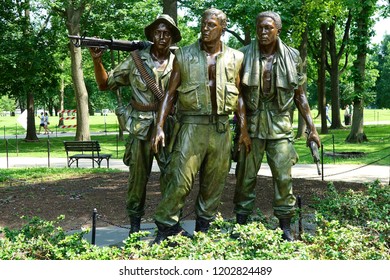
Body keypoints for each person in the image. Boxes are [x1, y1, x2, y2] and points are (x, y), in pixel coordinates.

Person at [152, 8, 251, 244]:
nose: (205, 29)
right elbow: (170, 94)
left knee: (215, 182)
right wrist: (160, 126)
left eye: (211, 25)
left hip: (221, 129)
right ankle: (166, 228)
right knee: (179, 180)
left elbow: (238, 96)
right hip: (191, 127)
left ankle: (204, 229)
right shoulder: (184, 56)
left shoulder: (236, 57)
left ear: (222, 28)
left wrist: (244, 129)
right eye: (203, 24)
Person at [89, 14, 182, 236]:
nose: (162, 36)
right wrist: (97, 60)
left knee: (172, 177)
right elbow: (104, 84)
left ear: (172, 37)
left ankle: (168, 225)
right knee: (137, 179)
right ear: (151, 35)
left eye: (167, 33)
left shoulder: (180, 61)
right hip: (140, 128)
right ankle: (134, 227)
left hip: (169, 127)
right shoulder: (135, 60)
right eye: (158, 32)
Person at [233, 11, 321, 241]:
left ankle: (284, 227)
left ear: (277, 30)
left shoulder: (292, 57)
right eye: (259, 28)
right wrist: (242, 129)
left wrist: (312, 129)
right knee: (245, 177)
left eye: (268, 28)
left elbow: (300, 96)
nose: (263, 32)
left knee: (283, 178)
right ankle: (241, 225)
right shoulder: (242, 56)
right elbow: (238, 95)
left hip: (280, 126)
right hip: (251, 126)